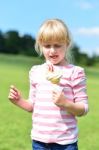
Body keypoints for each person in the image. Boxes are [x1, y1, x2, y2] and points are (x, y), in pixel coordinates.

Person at [8, 18, 89, 150]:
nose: (52, 51)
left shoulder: (75, 73)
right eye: (47, 46)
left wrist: (66, 104)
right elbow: (32, 106)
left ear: (67, 44)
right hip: (39, 141)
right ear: (40, 45)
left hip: (66, 142)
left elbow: (83, 109)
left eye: (57, 45)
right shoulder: (35, 72)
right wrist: (19, 101)